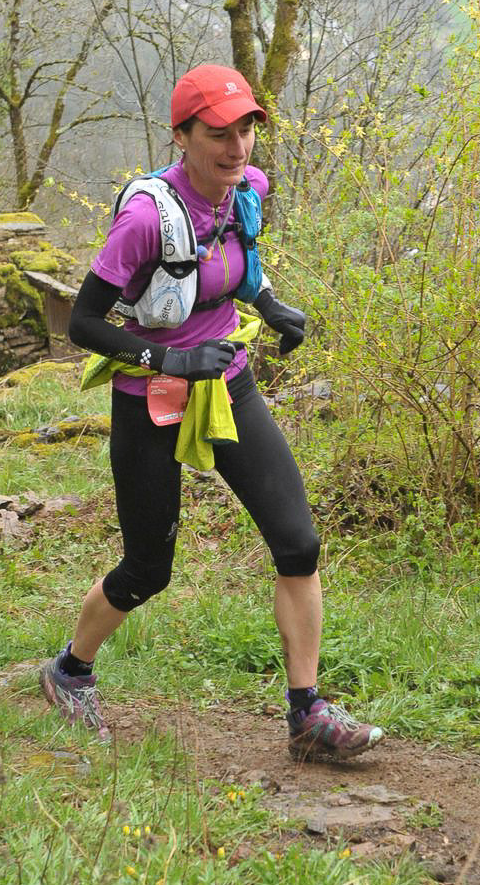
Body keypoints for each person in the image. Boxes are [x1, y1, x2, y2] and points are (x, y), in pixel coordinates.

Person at [39, 63, 385, 763]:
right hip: (151, 402)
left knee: (298, 544)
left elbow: (234, 269)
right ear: (182, 135)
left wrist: (270, 304)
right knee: (148, 569)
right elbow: (82, 323)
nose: (237, 147)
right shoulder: (146, 219)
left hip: (228, 385)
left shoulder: (246, 190)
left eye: (247, 129)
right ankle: (69, 670)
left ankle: (307, 712)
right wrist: (169, 359)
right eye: (219, 133)